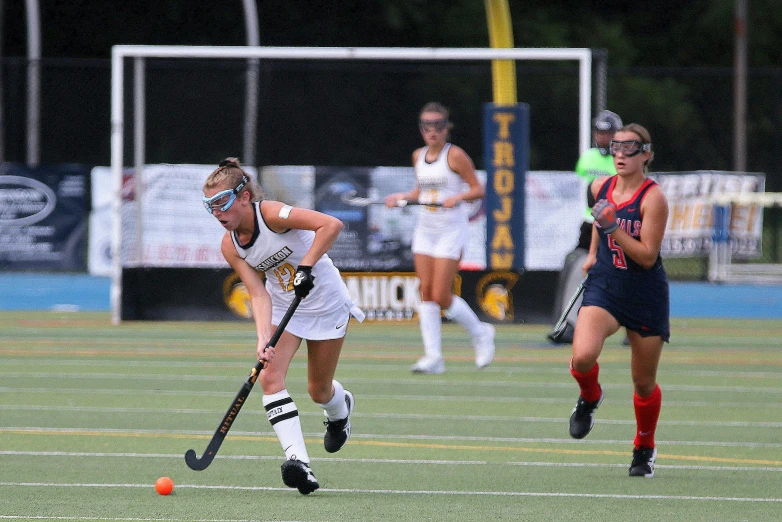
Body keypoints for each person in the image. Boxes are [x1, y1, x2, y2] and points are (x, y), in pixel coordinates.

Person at [202, 158, 365, 495]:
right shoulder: (229, 246)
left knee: (318, 390)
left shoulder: (272, 214)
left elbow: (331, 225)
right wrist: (263, 339)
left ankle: (339, 411)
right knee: (269, 374)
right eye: (211, 207)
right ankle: (299, 463)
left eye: (222, 203)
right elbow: (258, 292)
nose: (218, 213)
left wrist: (306, 266)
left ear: (244, 197)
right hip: (283, 306)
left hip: (325, 302)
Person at [567, 124, 669, 478]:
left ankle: (644, 447)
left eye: (630, 148)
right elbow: (599, 219)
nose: (621, 154)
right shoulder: (601, 186)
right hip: (607, 286)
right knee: (582, 356)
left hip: (644, 293)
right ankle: (591, 396)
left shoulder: (653, 198)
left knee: (643, 382)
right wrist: (595, 253)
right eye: (616, 148)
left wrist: (614, 229)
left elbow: (645, 256)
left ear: (647, 154)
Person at [385, 102, 495, 374]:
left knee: (441, 295)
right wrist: (400, 198)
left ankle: (481, 333)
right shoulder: (417, 156)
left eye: (437, 125)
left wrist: (456, 198)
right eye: (426, 126)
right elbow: (420, 191)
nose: (432, 131)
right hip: (426, 229)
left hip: (450, 229)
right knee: (426, 292)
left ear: (446, 128)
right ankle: (433, 357)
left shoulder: (455, 156)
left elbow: (477, 190)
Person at [548, 110, 623, 344]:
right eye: (600, 132)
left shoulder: (622, 158)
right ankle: (569, 324)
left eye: (608, 132)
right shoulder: (588, 158)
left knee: (625, 273)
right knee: (578, 267)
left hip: (615, 224)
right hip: (590, 223)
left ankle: (637, 325)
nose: (603, 137)